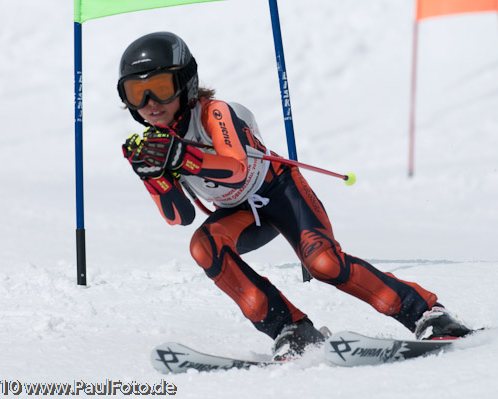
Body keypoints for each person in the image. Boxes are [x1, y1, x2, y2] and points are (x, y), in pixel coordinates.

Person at [118, 32, 472, 361]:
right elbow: (181, 217)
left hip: (279, 190)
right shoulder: (156, 147)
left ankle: (427, 313)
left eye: (161, 87)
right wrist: (154, 177)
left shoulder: (213, 112)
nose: (150, 103)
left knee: (324, 264)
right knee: (202, 245)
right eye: (136, 93)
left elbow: (237, 168)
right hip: (239, 212)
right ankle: (292, 329)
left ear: (186, 83)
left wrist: (182, 157)